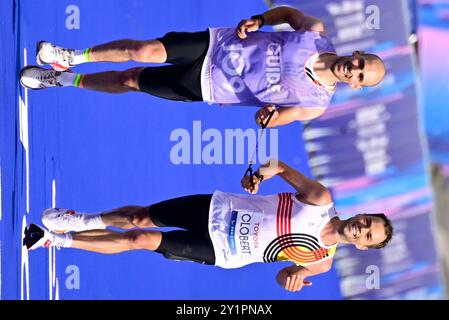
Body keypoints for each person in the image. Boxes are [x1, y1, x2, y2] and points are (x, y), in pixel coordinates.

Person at [24, 159, 393, 292]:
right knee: (140, 217)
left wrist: (290, 282)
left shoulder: (322, 261)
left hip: (223, 252)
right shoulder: (320, 199)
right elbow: (278, 166)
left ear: (363, 246)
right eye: (367, 222)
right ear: (362, 215)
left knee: (140, 239)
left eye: (368, 235)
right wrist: (260, 177)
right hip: (218, 209)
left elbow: (282, 276)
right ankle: (84, 220)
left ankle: (57, 241)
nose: (362, 228)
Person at [19, 6, 386, 128]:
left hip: (211, 87)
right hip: (216, 44)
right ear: (356, 52)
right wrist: (260, 19)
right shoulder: (315, 33)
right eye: (359, 63)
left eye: (359, 76)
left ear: (355, 86)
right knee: (144, 49)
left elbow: (277, 119)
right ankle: (72, 55)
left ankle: (63, 79)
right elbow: (287, 13)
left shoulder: (316, 103)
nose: (353, 70)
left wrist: (268, 116)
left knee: (132, 80)